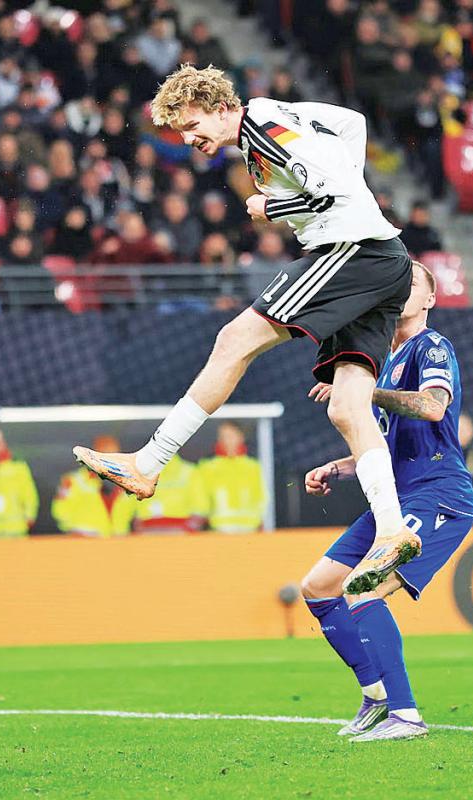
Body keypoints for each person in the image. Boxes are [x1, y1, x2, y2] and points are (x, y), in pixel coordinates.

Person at [74, 65, 420, 588]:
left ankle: (149, 462)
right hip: (382, 258)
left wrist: (271, 206)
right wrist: (348, 184)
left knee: (234, 339)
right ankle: (392, 530)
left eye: (192, 125)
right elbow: (352, 123)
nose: (188, 140)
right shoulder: (275, 115)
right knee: (349, 408)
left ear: (220, 108)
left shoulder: (262, 127)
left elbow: (327, 195)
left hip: (353, 252)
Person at [300, 261, 473, 741]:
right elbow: (381, 445)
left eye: (413, 282)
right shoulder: (385, 360)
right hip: (395, 501)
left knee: (362, 587)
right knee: (318, 588)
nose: (403, 288)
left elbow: (433, 406)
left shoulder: (431, 346)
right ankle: (376, 695)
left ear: (430, 299)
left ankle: (406, 715)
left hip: (439, 494)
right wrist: (340, 467)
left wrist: (365, 393)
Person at [52, 435, 135, 537]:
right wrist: (73, 530)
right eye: (105, 454)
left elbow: (135, 512)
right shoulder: (74, 480)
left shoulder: (128, 482)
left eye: (114, 455)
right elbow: (59, 510)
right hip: (84, 539)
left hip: (118, 540)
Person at [197, 422, 267, 533]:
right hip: (219, 530)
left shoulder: (253, 467)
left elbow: (261, 498)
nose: (226, 441)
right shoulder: (207, 467)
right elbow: (201, 501)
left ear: (241, 437)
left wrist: (260, 522)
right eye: (223, 437)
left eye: (230, 436)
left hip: (250, 529)